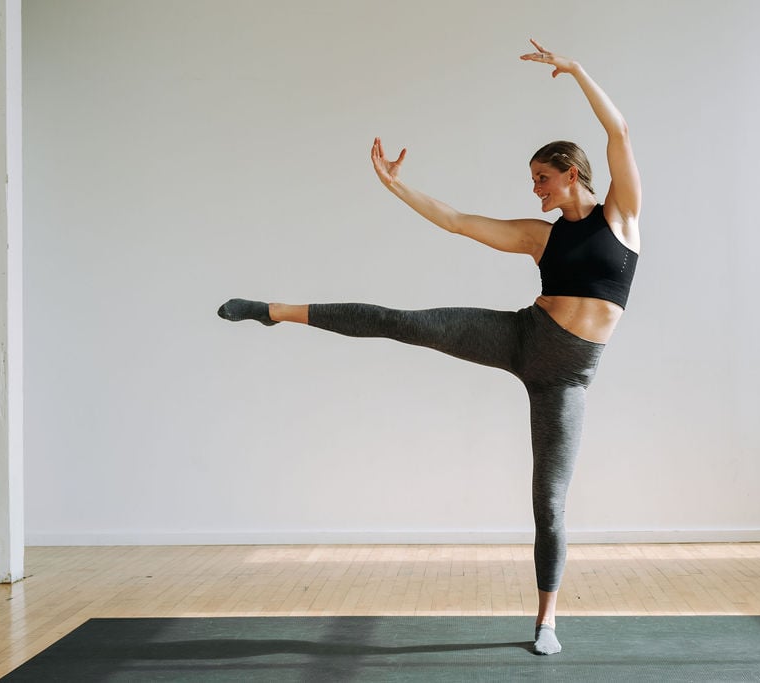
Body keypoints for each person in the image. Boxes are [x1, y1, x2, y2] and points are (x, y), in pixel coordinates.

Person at [218, 39, 641, 655]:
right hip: (522, 338)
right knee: (403, 321)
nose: (536, 192)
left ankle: (547, 621)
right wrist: (397, 187)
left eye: (542, 180)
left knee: (549, 503)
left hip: (568, 380)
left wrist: (576, 71)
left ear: (570, 171)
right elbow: (458, 221)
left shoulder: (620, 219)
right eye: (533, 184)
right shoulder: (538, 237)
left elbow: (620, 131)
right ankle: (275, 312)